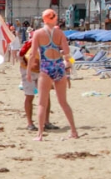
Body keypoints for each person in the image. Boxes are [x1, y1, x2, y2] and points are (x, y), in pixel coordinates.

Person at [30, 9, 79, 141]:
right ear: (55, 18)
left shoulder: (38, 33)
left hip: (46, 67)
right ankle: (73, 131)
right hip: (58, 66)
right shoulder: (60, 33)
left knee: (41, 103)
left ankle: (40, 134)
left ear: (44, 19)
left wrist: (29, 71)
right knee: (63, 102)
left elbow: (33, 53)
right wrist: (68, 66)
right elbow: (67, 52)